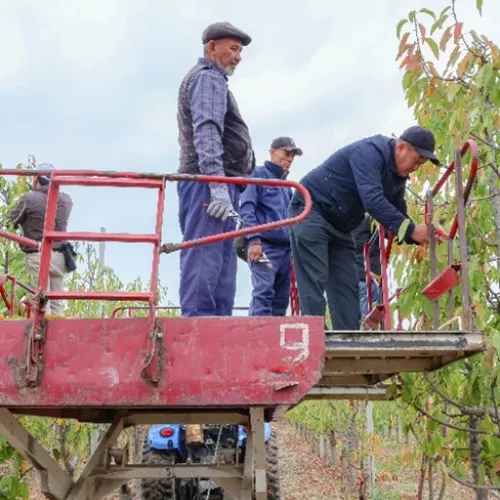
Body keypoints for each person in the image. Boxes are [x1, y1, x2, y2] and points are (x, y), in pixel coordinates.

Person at [289, 126, 439, 330]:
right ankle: (314, 339)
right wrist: (412, 229)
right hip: (311, 209)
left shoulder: (397, 175)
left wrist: (420, 235)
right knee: (314, 279)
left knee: (347, 287)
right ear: (402, 148)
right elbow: (373, 201)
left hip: (341, 225)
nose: (416, 168)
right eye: (417, 161)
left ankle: (347, 342)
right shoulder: (370, 153)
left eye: (421, 164)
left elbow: (397, 209)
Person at [176, 21, 254, 318]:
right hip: (207, 182)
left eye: (240, 51)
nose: (238, 56)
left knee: (221, 259)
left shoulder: (215, 81)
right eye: (233, 48)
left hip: (219, 182)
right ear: (212, 47)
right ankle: (198, 324)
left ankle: (218, 323)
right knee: (206, 255)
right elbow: (207, 130)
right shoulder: (208, 79)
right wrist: (216, 184)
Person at [239, 137, 303, 316]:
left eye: (293, 155)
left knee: (281, 300)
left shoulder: (286, 187)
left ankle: (273, 342)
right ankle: (256, 339)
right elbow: (247, 208)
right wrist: (253, 240)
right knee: (264, 292)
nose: (290, 159)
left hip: (285, 250)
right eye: (287, 153)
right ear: (272, 152)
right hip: (265, 245)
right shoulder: (258, 175)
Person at [6, 163, 73, 316]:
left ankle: (42, 338)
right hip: (60, 257)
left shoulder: (29, 198)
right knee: (57, 304)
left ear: (37, 178)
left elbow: (10, 222)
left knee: (41, 305)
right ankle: (59, 337)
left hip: (38, 255)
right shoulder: (66, 200)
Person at [353, 215, 381, 319]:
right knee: (369, 295)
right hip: (367, 272)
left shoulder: (345, 219)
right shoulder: (369, 218)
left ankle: (360, 326)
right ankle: (366, 327)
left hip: (355, 272)